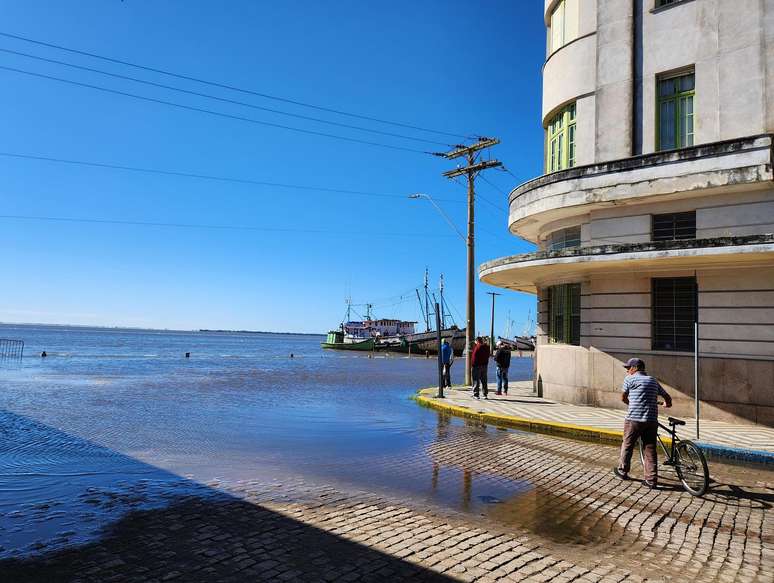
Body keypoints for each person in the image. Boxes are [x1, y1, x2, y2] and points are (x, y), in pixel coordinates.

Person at [614, 357, 672, 489]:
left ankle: (623, 471)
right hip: (651, 420)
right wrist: (667, 404)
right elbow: (667, 397)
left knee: (627, 444)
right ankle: (651, 480)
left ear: (635, 368)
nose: (627, 370)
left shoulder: (630, 379)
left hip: (634, 419)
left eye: (628, 368)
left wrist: (632, 404)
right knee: (650, 449)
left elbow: (623, 397)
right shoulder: (653, 380)